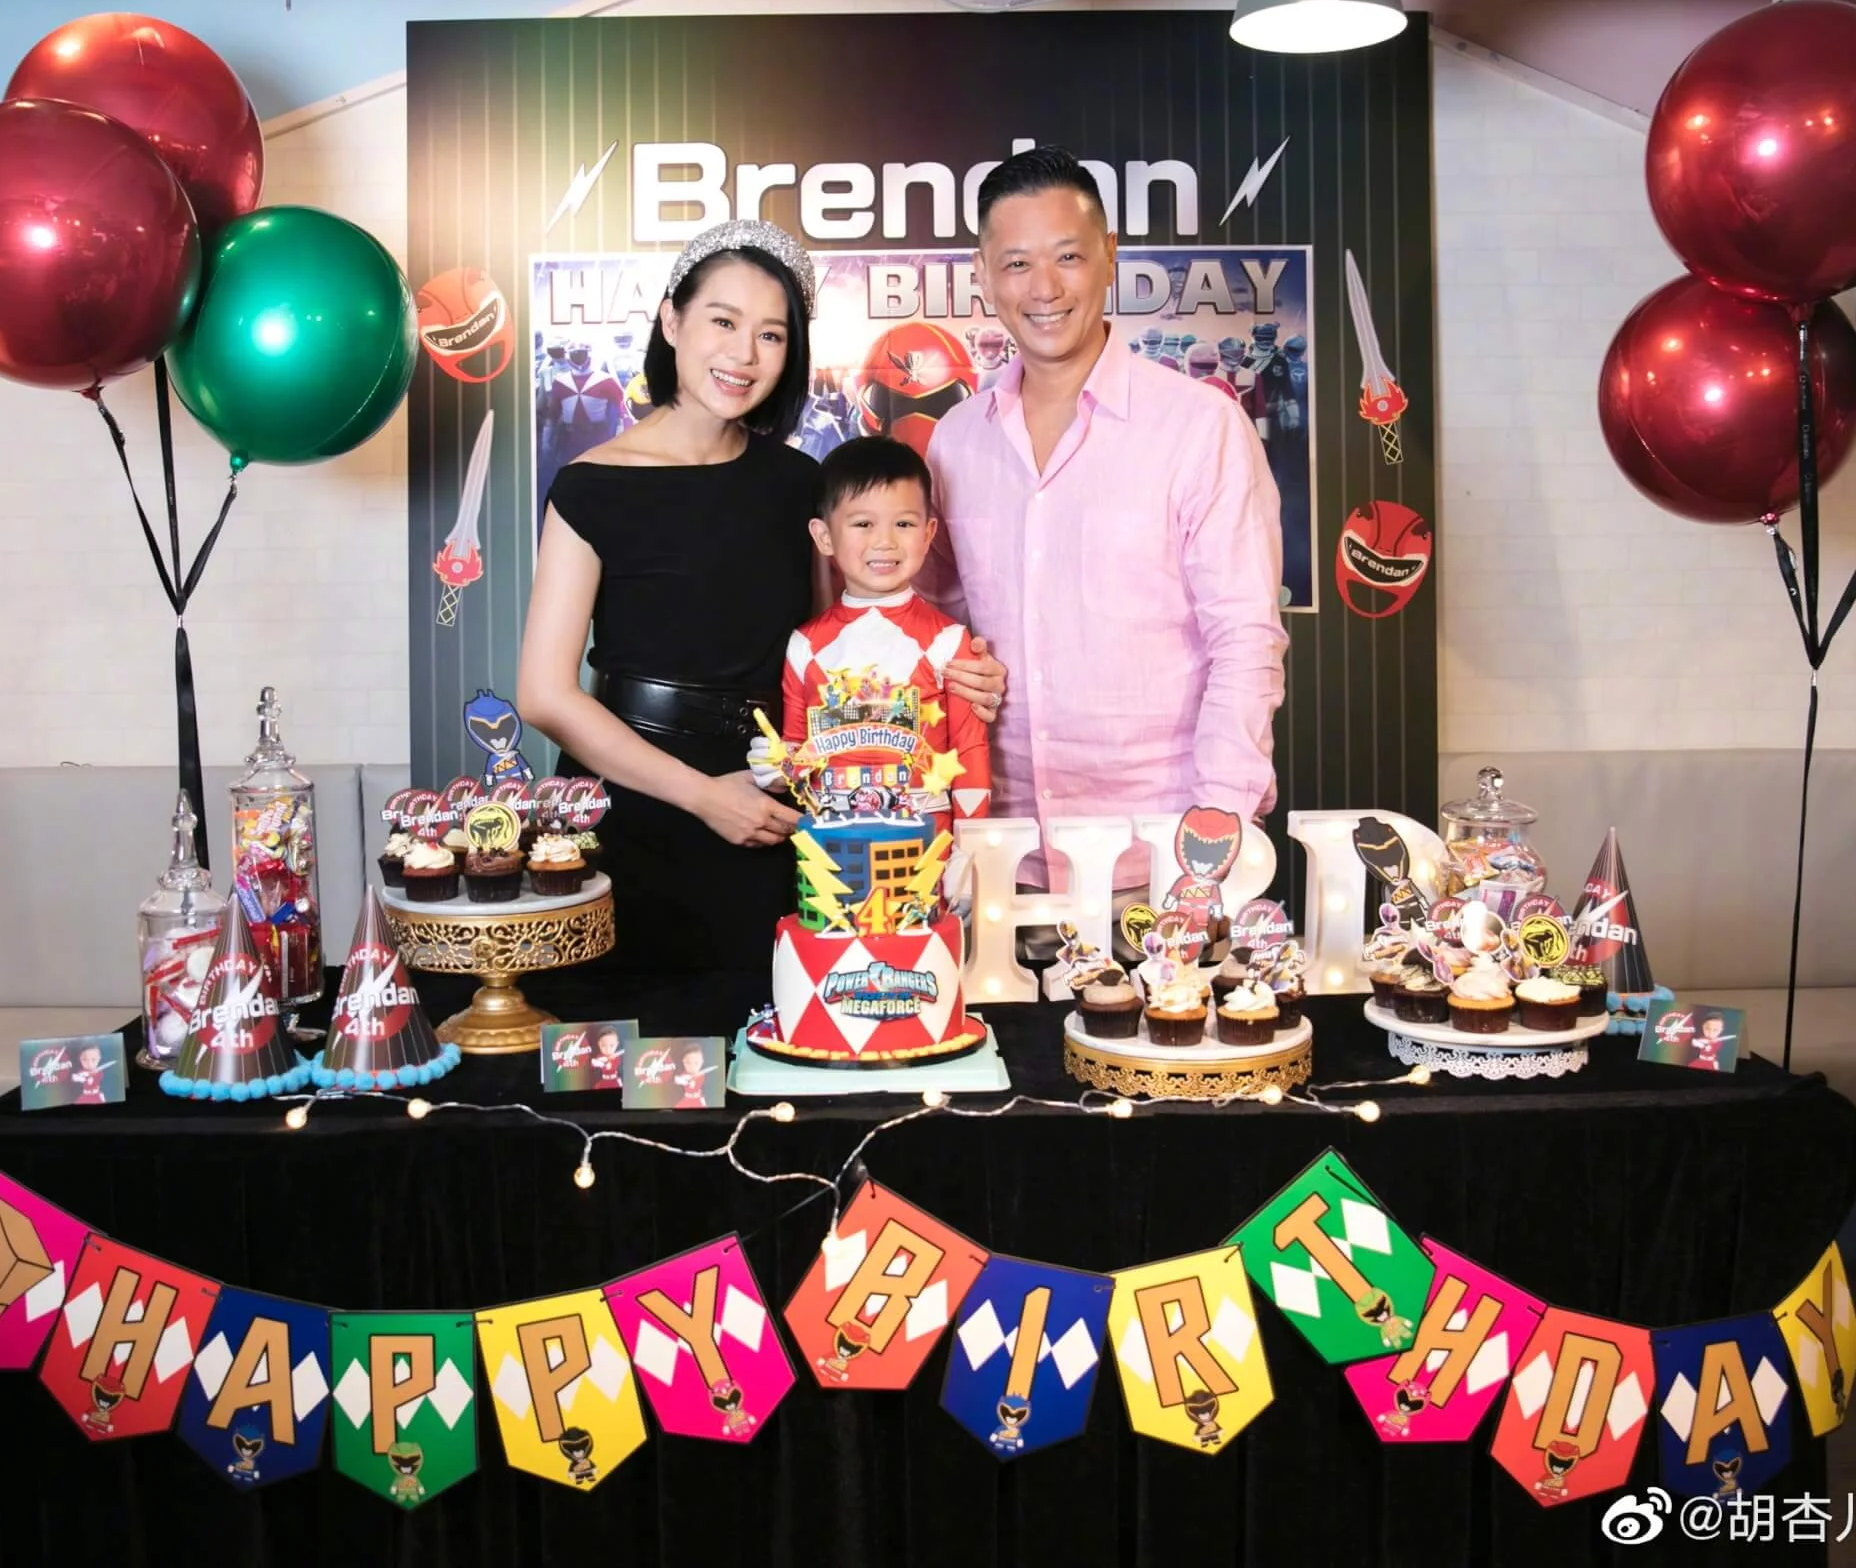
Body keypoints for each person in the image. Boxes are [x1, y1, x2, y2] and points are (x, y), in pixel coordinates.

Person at [517, 219, 1004, 980]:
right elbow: (544, 695)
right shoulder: (589, 486)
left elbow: (846, 643)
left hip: (778, 801)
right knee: (623, 1040)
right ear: (672, 321)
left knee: (783, 1025)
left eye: (771, 335)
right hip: (630, 804)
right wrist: (703, 797)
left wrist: (959, 671)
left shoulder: (798, 484)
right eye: (723, 322)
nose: (744, 354)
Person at [923, 147, 1286, 893]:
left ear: (1110, 256)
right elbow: (934, 624)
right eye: (1016, 263)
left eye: (1068, 256)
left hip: (1161, 865)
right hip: (997, 863)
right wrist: (952, 666)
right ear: (982, 274)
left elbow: (1246, 638)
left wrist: (1216, 831)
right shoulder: (956, 440)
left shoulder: (1199, 426)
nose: (1045, 288)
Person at [770, 436, 991, 840]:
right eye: (863, 524)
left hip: (930, 851)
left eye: (903, 524)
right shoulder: (805, 646)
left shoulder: (948, 641)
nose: (885, 541)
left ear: (928, 533)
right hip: (832, 851)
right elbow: (796, 753)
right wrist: (772, 767)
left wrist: (972, 849)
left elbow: (971, 751)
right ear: (824, 536)